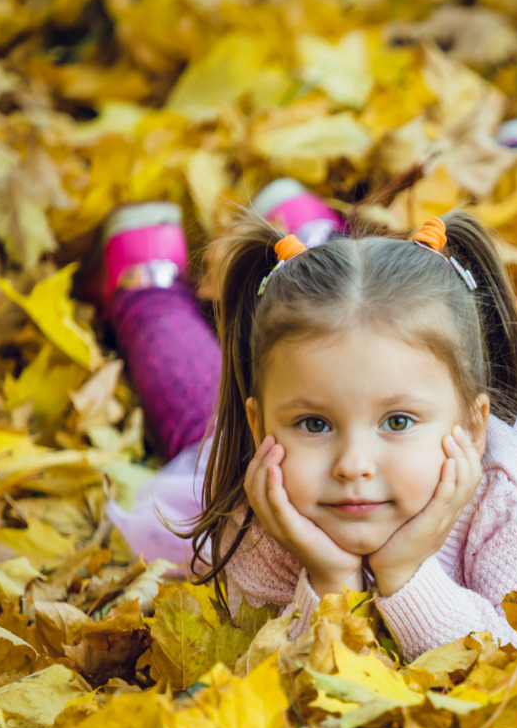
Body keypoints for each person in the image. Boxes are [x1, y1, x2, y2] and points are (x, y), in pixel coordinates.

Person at [180, 211, 517, 657]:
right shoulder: (266, 522)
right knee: (184, 409)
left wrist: (406, 574)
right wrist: (330, 583)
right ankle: (150, 289)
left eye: (397, 421)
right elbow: (268, 687)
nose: (353, 465)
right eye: (315, 424)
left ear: (473, 428)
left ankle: (308, 216)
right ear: (260, 426)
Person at [95, 180, 347, 569]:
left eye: (398, 422)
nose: (356, 463)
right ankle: (313, 267)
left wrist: (342, 575)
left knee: (209, 416)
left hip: (259, 481)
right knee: (355, 340)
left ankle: (152, 296)